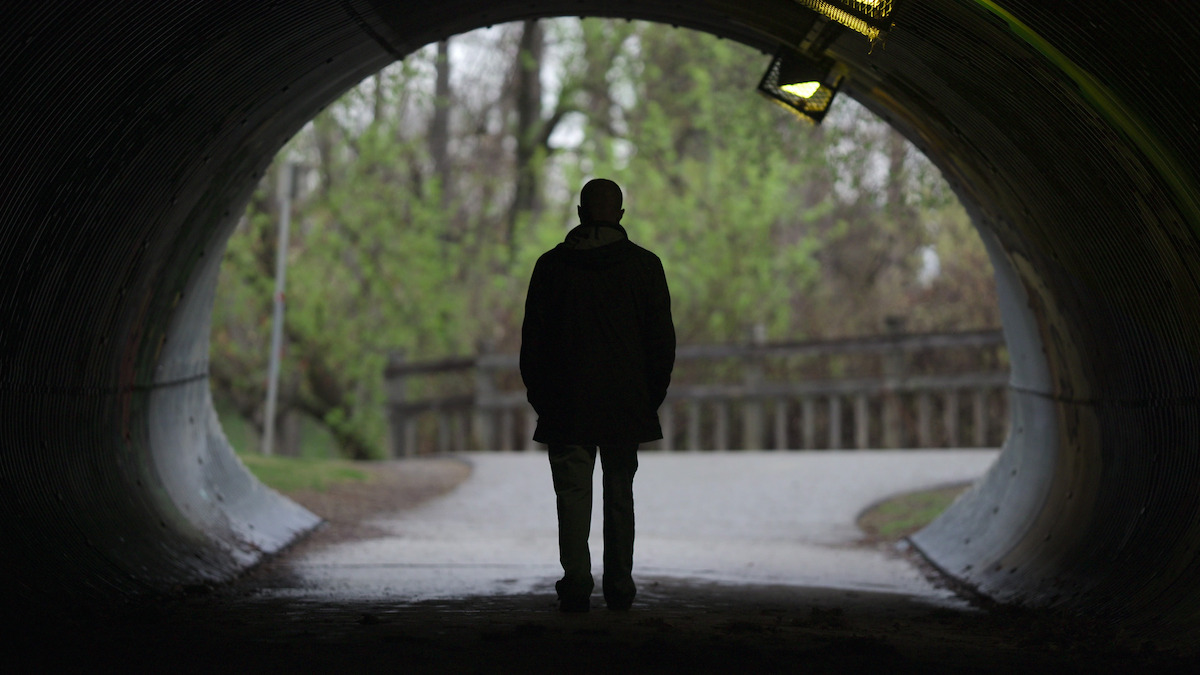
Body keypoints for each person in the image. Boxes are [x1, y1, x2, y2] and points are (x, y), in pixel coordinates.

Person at [520, 178, 676, 613]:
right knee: (620, 491)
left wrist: (543, 399)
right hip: (625, 402)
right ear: (620, 216)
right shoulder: (645, 267)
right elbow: (662, 344)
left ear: (580, 213)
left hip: (566, 402)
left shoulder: (551, 267)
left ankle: (575, 582)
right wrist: (649, 398)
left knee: (571, 494)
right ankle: (620, 584)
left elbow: (532, 344)